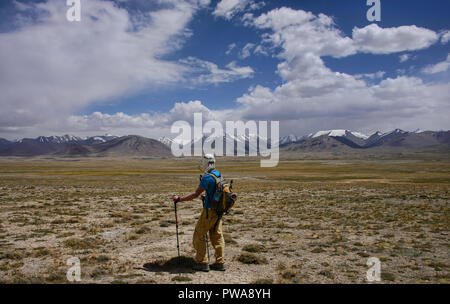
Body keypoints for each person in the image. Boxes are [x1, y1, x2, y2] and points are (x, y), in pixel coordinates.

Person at [172, 154, 225, 272]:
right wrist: (207, 197)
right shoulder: (219, 175)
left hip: (209, 212)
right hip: (218, 211)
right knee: (217, 236)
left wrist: (180, 199)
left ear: (205, 163)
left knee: (198, 235)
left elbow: (195, 194)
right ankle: (219, 262)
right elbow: (216, 193)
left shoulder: (207, 177)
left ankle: (202, 262)